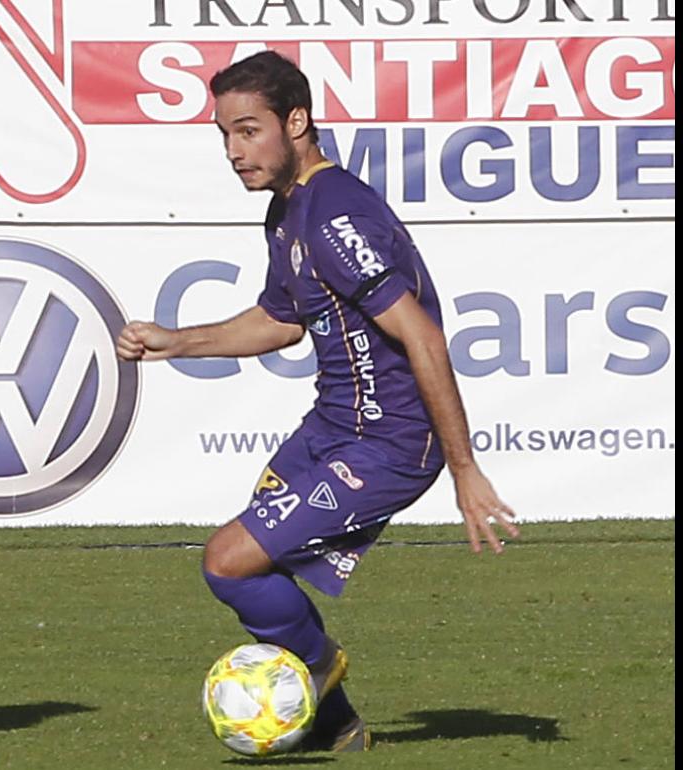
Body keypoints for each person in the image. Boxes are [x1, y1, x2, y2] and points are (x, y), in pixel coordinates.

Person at [115, 51, 519, 753]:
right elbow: (280, 318)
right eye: (225, 136)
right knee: (253, 563)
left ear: (296, 121)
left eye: (248, 131)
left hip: (390, 442)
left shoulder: (336, 213)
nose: (235, 152)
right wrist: (175, 342)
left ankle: (318, 669)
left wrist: (463, 469)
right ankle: (338, 726)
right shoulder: (289, 209)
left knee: (228, 560)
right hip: (332, 425)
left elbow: (423, 336)